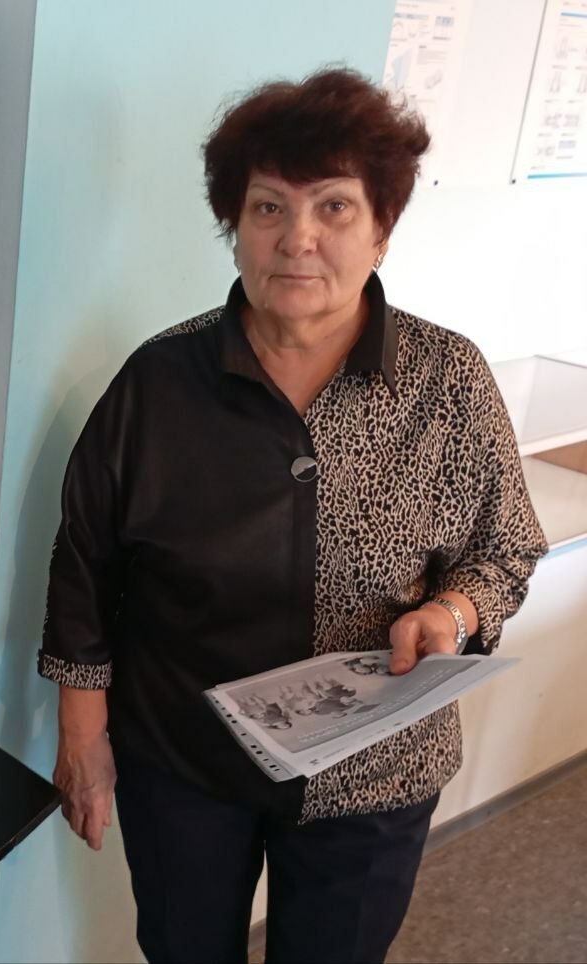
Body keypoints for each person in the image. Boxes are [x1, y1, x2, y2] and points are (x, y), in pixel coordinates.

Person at [39, 68, 547, 964]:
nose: (297, 239)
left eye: (335, 208)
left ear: (382, 229)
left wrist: (453, 613)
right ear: (234, 225)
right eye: (268, 207)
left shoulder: (448, 380)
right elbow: (85, 566)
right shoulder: (159, 383)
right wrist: (83, 738)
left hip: (376, 773)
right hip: (187, 761)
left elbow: (504, 548)